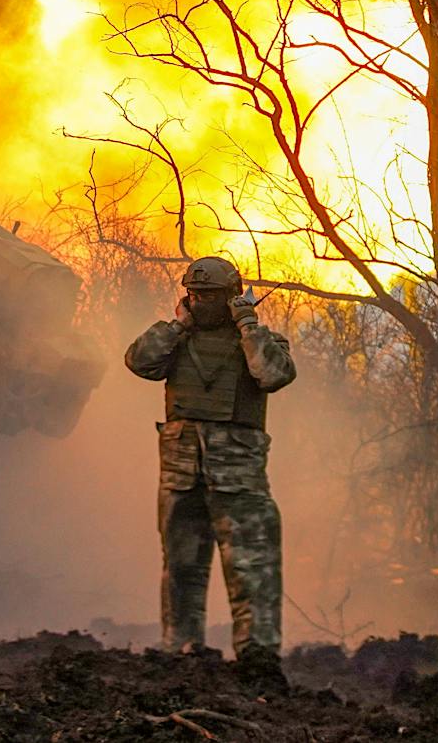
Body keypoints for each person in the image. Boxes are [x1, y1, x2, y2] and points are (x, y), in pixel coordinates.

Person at [125, 255, 295, 690]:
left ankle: (258, 661)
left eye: (211, 296)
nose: (201, 302)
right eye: (195, 294)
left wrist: (247, 326)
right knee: (181, 567)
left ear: (232, 296)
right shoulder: (174, 341)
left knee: (252, 569)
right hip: (181, 474)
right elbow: (139, 362)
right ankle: (180, 650)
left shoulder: (259, 341)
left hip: (239, 478)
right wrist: (178, 325)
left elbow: (273, 374)